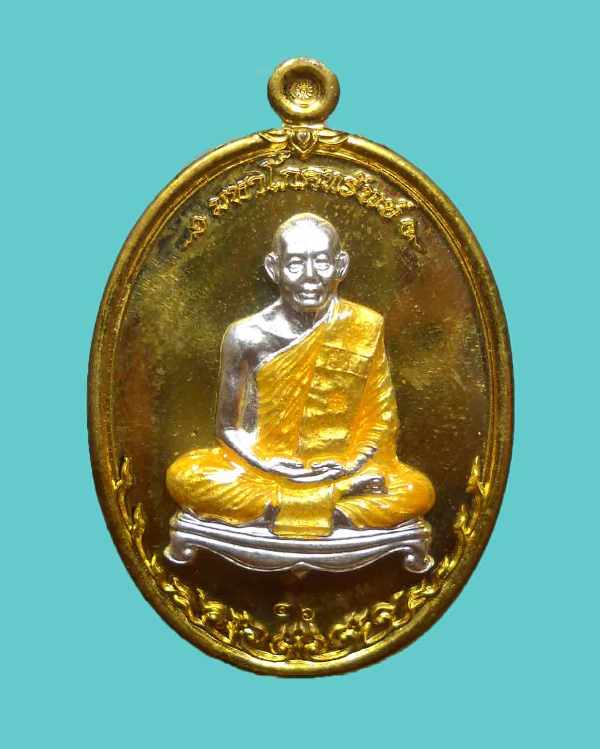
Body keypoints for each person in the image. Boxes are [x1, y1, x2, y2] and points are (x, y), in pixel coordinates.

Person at [166, 213, 435, 538]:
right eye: (295, 263)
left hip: (343, 471)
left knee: (417, 490)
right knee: (186, 475)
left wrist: (350, 464)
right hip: (266, 472)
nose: (310, 276)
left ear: (340, 266)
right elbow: (228, 428)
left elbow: (381, 419)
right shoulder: (245, 335)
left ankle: (290, 507)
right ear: (273, 268)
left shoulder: (364, 325)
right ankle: (326, 506)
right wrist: (265, 463)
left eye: (321, 262)